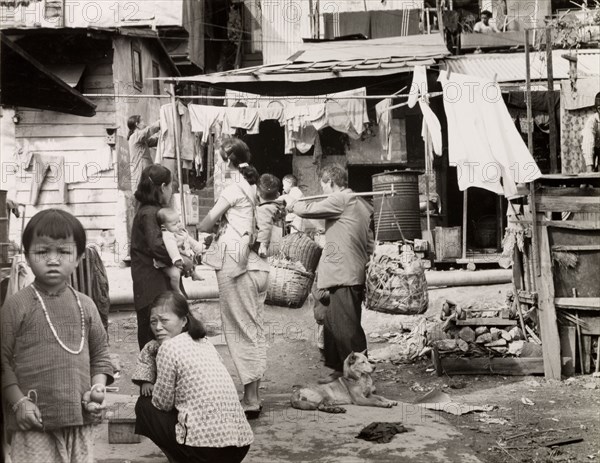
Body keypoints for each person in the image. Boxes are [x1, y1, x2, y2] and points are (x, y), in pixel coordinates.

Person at [1, 209, 113, 463]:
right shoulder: (17, 306)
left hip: (79, 420)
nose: (53, 260)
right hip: (33, 422)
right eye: (42, 252)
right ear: (27, 257)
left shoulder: (86, 305)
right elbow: (2, 361)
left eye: (63, 252)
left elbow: (100, 357)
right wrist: (18, 403)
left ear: (79, 257)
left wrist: (97, 390)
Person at [135, 292, 252, 463]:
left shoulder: (168, 347)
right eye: (154, 322)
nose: (158, 327)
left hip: (205, 450)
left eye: (164, 320)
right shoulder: (204, 342)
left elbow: (163, 403)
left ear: (183, 321)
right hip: (240, 446)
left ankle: (180, 459)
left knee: (144, 405)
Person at [198, 137, 269, 418]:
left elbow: (206, 222)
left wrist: (190, 230)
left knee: (239, 329)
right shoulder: (252, 186)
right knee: (253, 327)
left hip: (235, 263)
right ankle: (253, 394)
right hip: (256, 265)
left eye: (218, 158)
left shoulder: (232, 187)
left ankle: (250, 399)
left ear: (226, 160)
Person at [288, 164, 374, 384]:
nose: (324, 191)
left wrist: (293, 203)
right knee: (331, 324)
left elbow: (305, 210)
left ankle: (360, 375)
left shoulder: (341, 199)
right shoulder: (362, 205)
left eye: (324, 186)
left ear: (332, 183)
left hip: (344, 274)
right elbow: (370, 243)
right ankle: (339, 369)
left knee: (347, 328)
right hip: (344, 272)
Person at [131, 164, 191, 350]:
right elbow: (158, 246)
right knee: (158, 340)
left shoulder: (148, 210)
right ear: (163, 187)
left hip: (152, 282)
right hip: (153, 286)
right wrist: (182, 260)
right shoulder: (151, 213)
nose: (171, 191)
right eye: (171, 186)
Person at [154, 207, 205, 293]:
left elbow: (189, 240)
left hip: (184, 255)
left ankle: (193, 274)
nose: (178, 225)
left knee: (192, 260)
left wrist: (198, 246)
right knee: (175, 275)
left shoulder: (180, 231)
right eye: (174, 224)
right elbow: (171, 248)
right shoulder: (168, 235)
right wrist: (176, 258)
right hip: (173, 261)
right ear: (164, 227)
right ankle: (177, 290)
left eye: (179, 221)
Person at [254, 173, 285, 258]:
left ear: (258, 192)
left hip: (266, 246)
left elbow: (265, 227)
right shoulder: (277, 206)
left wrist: (263, 245)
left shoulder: (264, 209)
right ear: (277, 194)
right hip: (277, 244)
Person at [127, 115, 160, 191]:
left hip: (144, 172)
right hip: (141, 172)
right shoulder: (135, 136)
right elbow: (148, 131)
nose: (145, 123)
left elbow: (155, 141)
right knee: (144, 194)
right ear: (137, 124)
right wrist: (160, 123)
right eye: (142, 121)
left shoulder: (141, 140)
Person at [582, 92, 600, 172]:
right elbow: (588, 144)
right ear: (597, 109)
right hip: (591, 148)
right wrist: (589, 167)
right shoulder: (592, 121)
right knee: (588, 175)